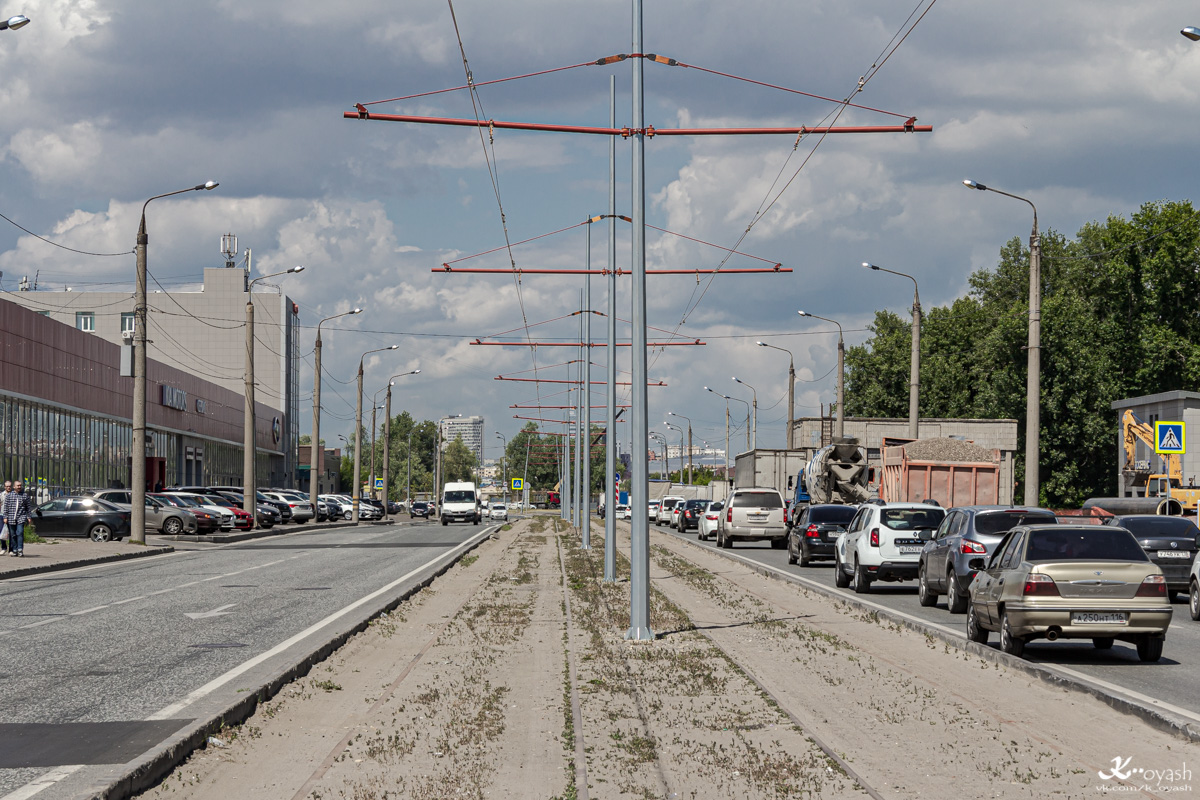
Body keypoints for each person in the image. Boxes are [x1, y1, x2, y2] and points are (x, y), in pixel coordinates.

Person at [3, 480, 32, 557]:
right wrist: (5, 517)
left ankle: (20, 549)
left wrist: (29, 516)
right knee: (13, 534)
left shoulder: (24, 495)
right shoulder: (9, 496)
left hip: (21, 517)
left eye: (20, 485)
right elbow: (5, 507)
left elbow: (28, 507)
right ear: (14, 487)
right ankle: (14, 549)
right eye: (18, 485)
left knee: (20, 532)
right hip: (11, 517)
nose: (19, 487)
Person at [0, 480, 9, 554]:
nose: (8, 488)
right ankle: (3, 547)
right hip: (2, 515)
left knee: (12, 533)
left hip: (11, 515)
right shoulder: (2, 495)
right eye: (7, 486)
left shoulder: (13, 494)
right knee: (2, 532)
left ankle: (12, 549)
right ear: (4, 487)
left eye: (9, 486)